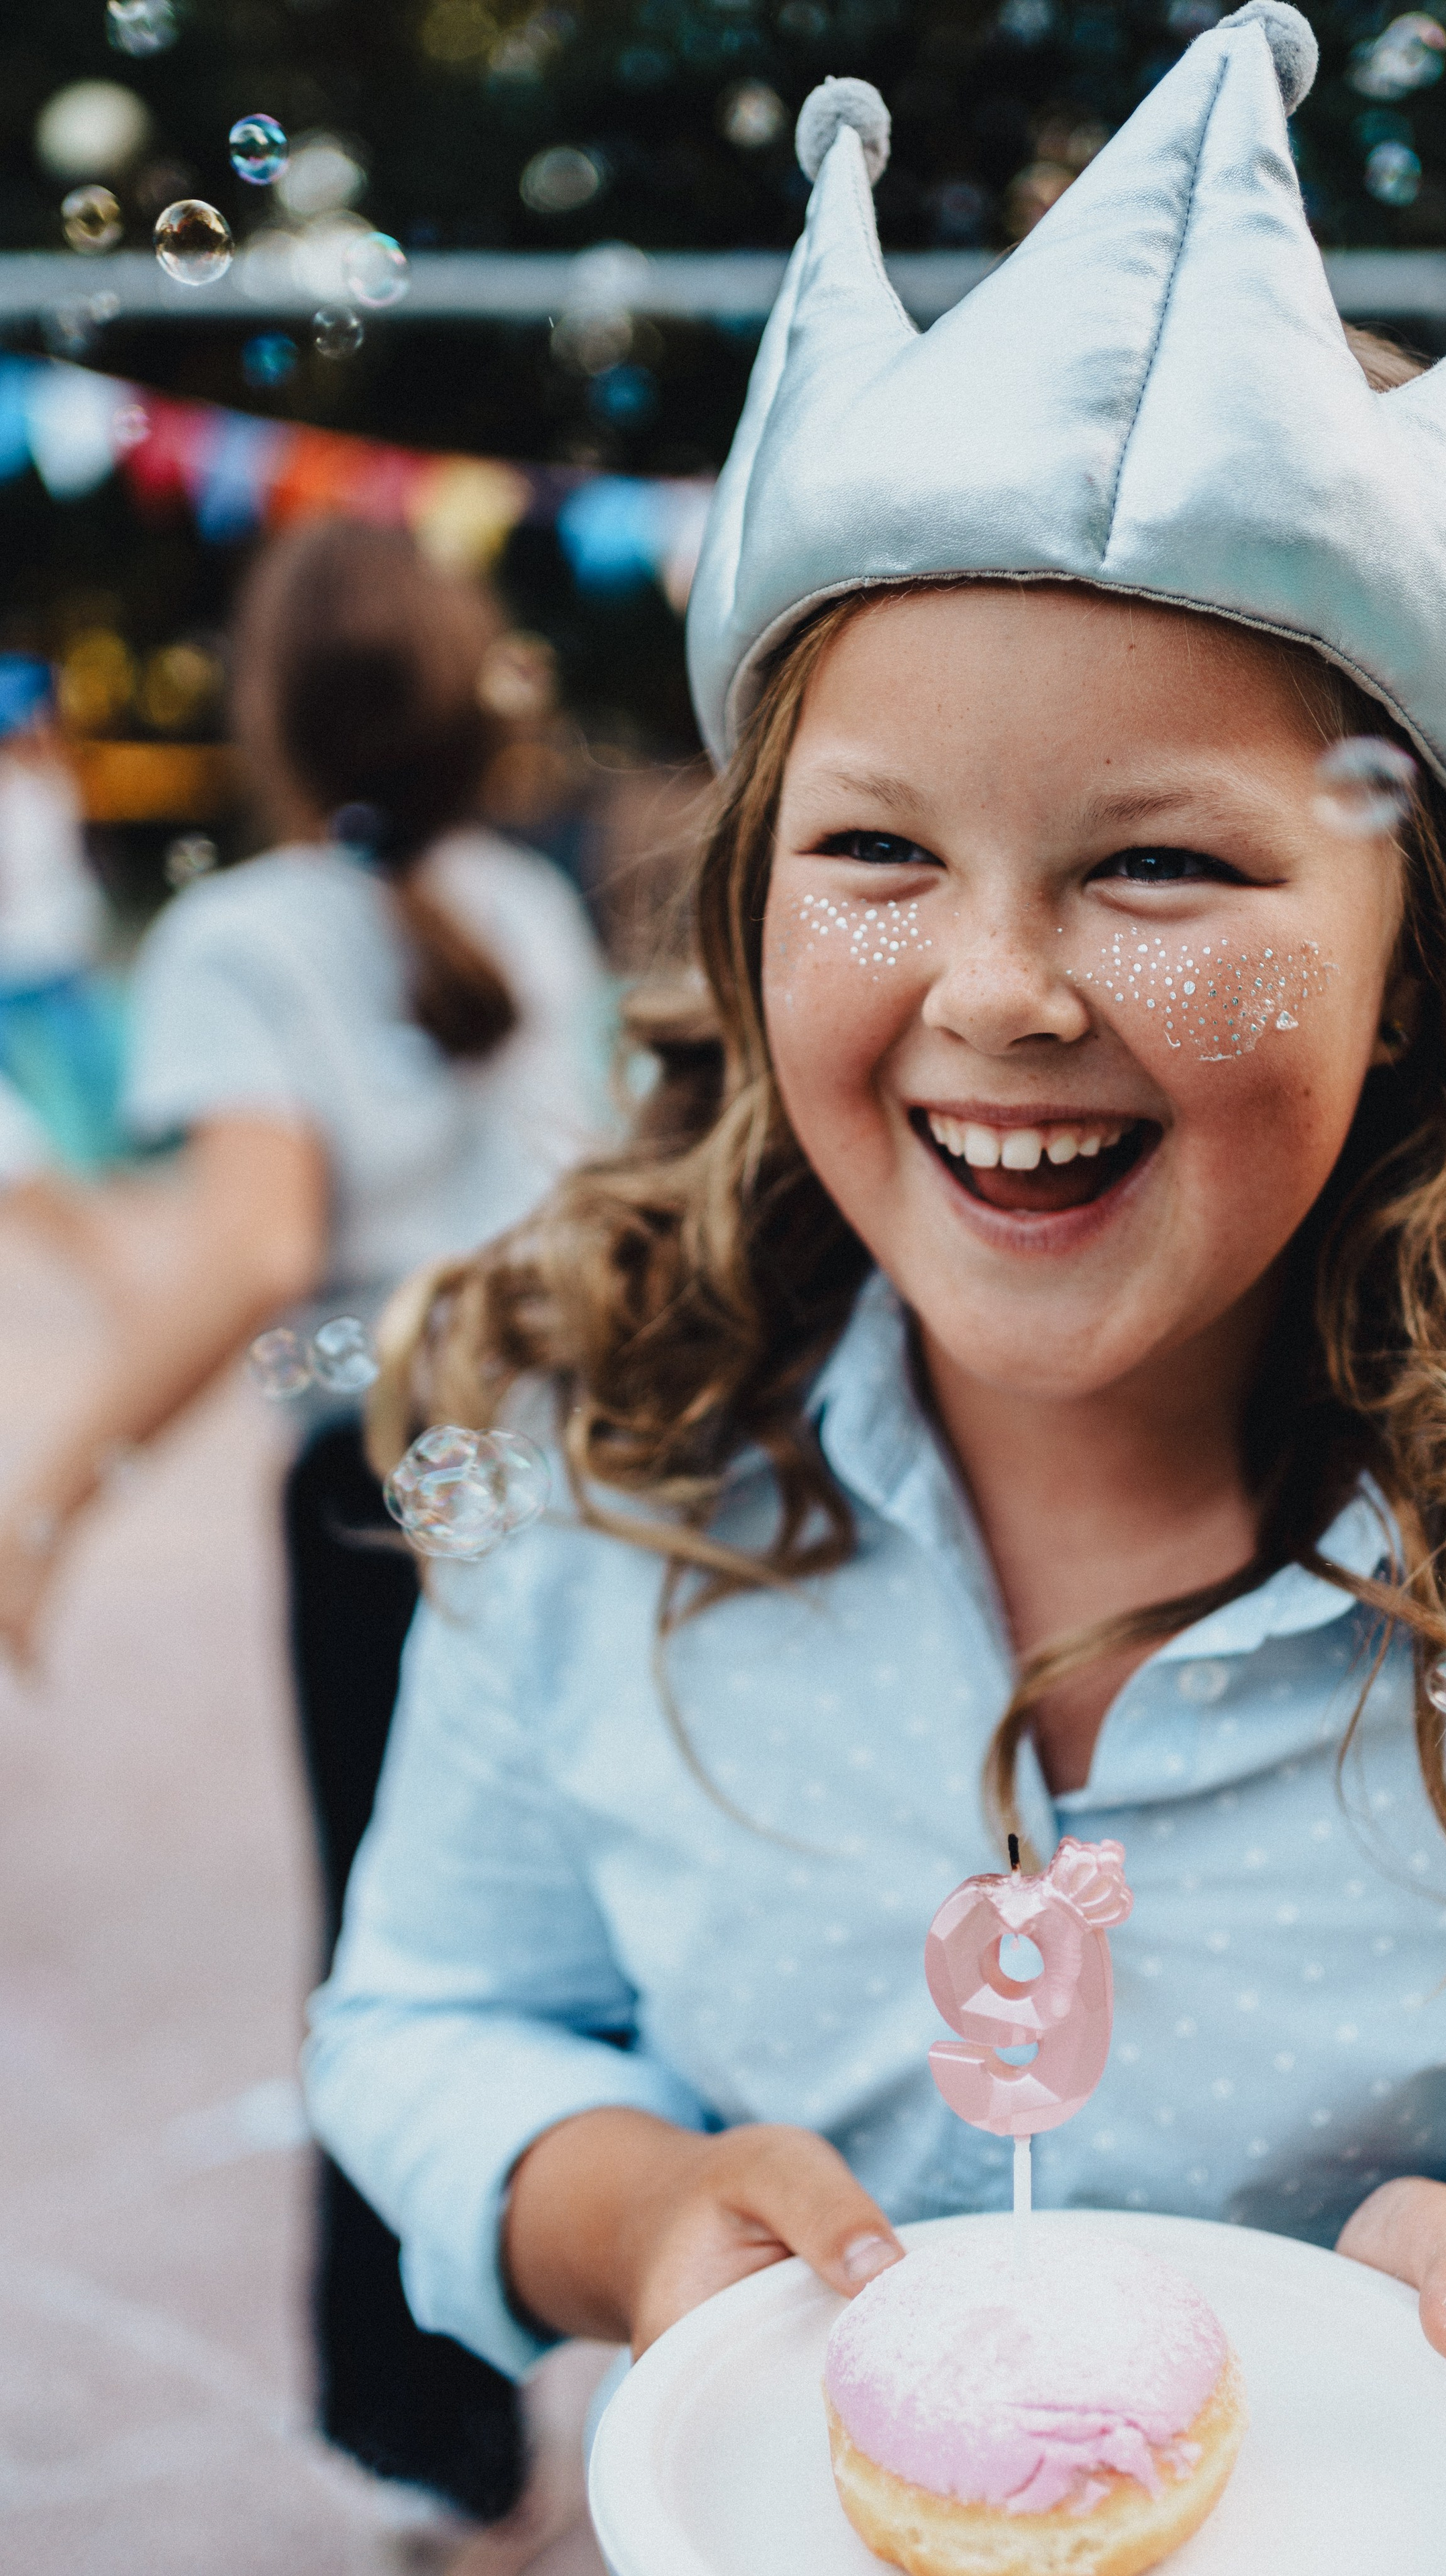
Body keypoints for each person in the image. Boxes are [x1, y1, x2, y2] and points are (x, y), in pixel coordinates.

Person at [308, 22, 1446, 2573]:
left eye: (1159, 870)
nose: (992, 986)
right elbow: (422, 2018)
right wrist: (622, 2214)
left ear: (1411, 965)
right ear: (745, 910)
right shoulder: (596, 1470)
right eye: (872, 848)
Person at [0, 515, 613, 2526]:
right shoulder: (525, 909)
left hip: (379, 1483)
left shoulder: (246, 931)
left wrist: (57, 1478)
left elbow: (264, 1249)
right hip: (559, 1472)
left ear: (269, 716)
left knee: (396, 1956)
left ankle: (425, 2440)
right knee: (551, 1923)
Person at [0, 654, 125, 1173]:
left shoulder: (52, 779)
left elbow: (70, 866)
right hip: (22, 959)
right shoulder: (17, 787)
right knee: (40, 1085)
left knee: (80, 1076)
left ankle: (85, 1170)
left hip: (58, 952)